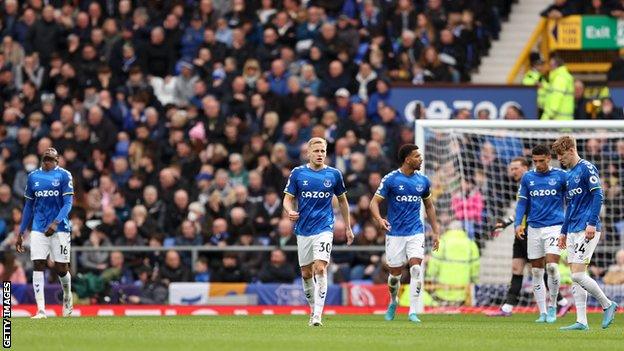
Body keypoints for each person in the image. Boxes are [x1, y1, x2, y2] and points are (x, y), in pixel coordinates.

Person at [283, 137, 354, 327]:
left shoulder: (334, 175)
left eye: (323, 151)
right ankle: (313, 309)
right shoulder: (297, 174)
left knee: (320, 268)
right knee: (306, 274)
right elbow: (287, 199)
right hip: (304, 230)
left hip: (324, 228)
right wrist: (289, 211)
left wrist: (347, 226)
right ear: (308, 153)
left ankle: (318, 316)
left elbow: (343, 202)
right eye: (316, 151)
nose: (320, 154)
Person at [552, 136, 618, 331]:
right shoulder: (569, 174)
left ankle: (608, 304)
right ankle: (581, 321)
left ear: (571, 150)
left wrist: (591, 223)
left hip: (586, 228)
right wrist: (563, 232)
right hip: (572, 229)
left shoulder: (586, 167)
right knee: (576, 275)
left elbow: (598, 194)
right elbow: (570, 206)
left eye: (561, 155)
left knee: (578, 275)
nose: (560, 159)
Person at [369, 144, 440, 323]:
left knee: (416, 268)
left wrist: (436, 232)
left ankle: (412, 312)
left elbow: (429, 206)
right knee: (395, 276)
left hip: (415, 231)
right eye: (417, 156)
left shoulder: (423, 181)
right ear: (407, 159)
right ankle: (394, 301)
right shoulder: (391, 179)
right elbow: (373, 203)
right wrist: (379, 220)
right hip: (395, 234)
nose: (421, 159)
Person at [16, 147, 74, 319]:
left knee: (61, 268)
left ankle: (67, 296)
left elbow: (68, 203)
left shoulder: (64, 175)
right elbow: (28, 206)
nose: (48, 162)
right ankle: (41, 310)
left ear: (57, 160)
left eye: (51, 159)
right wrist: (21, 231)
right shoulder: (33, 176)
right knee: (38, 264)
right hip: (38, 227)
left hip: (60, 228)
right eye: (46, 159)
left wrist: (55, 223)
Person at [514, 145, 566, 323]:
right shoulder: (528, 177)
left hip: (555, 227)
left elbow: (572, 199)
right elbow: (522, 203)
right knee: (536, 271)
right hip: (534, 228)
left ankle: (553, 307)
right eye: (535, 161)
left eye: (541, 161)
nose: (538, 165)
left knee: (552, 267)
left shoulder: (561, 176)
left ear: (549, 158)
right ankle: (542, 312)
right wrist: (517, 224)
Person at [541, 55, 574, 120]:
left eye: (550, 65)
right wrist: (544, 86)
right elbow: (555, 90)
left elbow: (556, 98)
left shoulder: (560, 78)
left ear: (555, 65)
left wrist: (545, 119)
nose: (549, 68)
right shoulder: (563, 77)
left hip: (558, 122)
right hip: (563, 122)